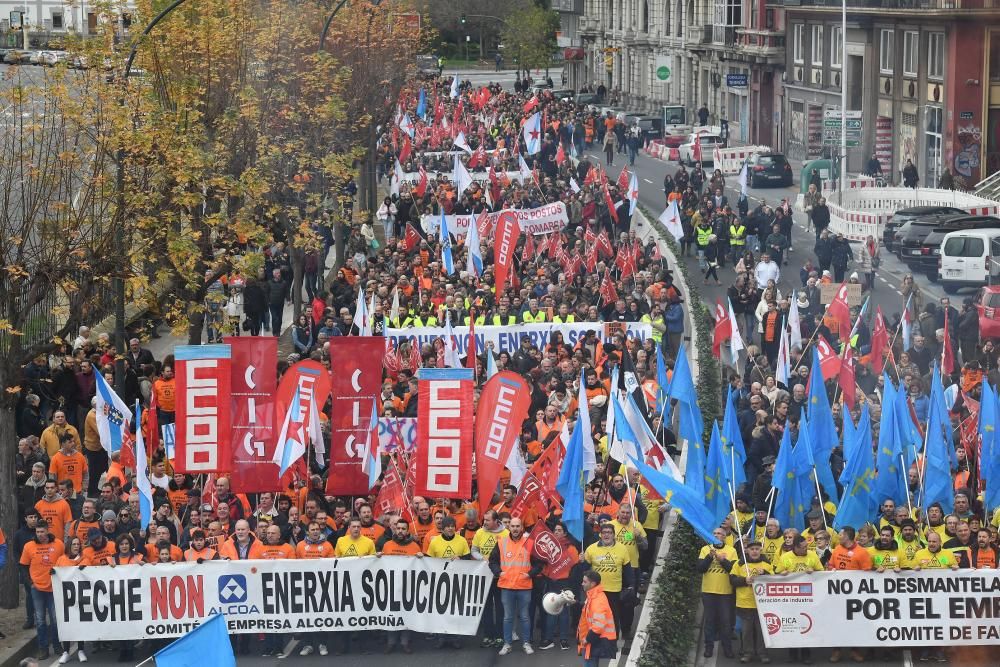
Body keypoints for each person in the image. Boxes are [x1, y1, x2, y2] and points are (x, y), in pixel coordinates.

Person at [489, 517, 543, 656]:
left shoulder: (529, 543)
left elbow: (539, 564)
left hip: (524, 585)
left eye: (518, 526)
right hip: (507, 585)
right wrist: (498, 572)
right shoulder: (501, 543)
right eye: (512, 526)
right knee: (508, 617)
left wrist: (530, 574)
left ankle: (526, 643)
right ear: (509, 527)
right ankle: (507, 644)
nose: (515, 528)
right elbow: (492, 561)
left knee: (525, 616)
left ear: (522, 527)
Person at [20, 520, 64, 661]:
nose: (39, 534)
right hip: (37, 588)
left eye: (42, 531)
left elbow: (65, 561)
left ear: (47, 530)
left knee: (55, 619)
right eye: (37, 532)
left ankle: (57, 646)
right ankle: (43, 648)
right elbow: (23, 566)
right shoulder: (29, 546)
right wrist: (30, 583)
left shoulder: (58, 544)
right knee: (40, 620)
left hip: (54, 587)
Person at [729, 540, 773, 664]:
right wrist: (744, 580)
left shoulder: (767, 564)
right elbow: (732, 580)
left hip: (762, 604)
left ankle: (763, 654)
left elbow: (773, 581)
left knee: (761, 630)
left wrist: (765, 573)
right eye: (752, 549)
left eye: (757, 549)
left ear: (761, 550)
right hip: (745, 603)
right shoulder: (739, 563)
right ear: (747, 550)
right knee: (747, 631)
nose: (754, 551)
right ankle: (747, 653)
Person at [697, 526, 737, 659]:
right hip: (708, 591)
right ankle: (709, 647)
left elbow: (733, 569)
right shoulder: (705, 549)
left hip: (725, 592)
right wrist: (709, 557)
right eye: (714, 533)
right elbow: (700, 569)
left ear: (724, 536)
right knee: (709, 621)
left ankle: (727, 648)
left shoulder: (731, 550)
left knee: (726, 622)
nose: (716, 535)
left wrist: (722, 560)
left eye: (719, 533)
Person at [577, 570, 617, 667]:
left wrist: (587, 639)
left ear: (593, 583)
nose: (582, 584)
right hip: (596, 639)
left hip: (594, 640)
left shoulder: (597, 600)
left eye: (585, 582)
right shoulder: (593, 596)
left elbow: (599, 624)